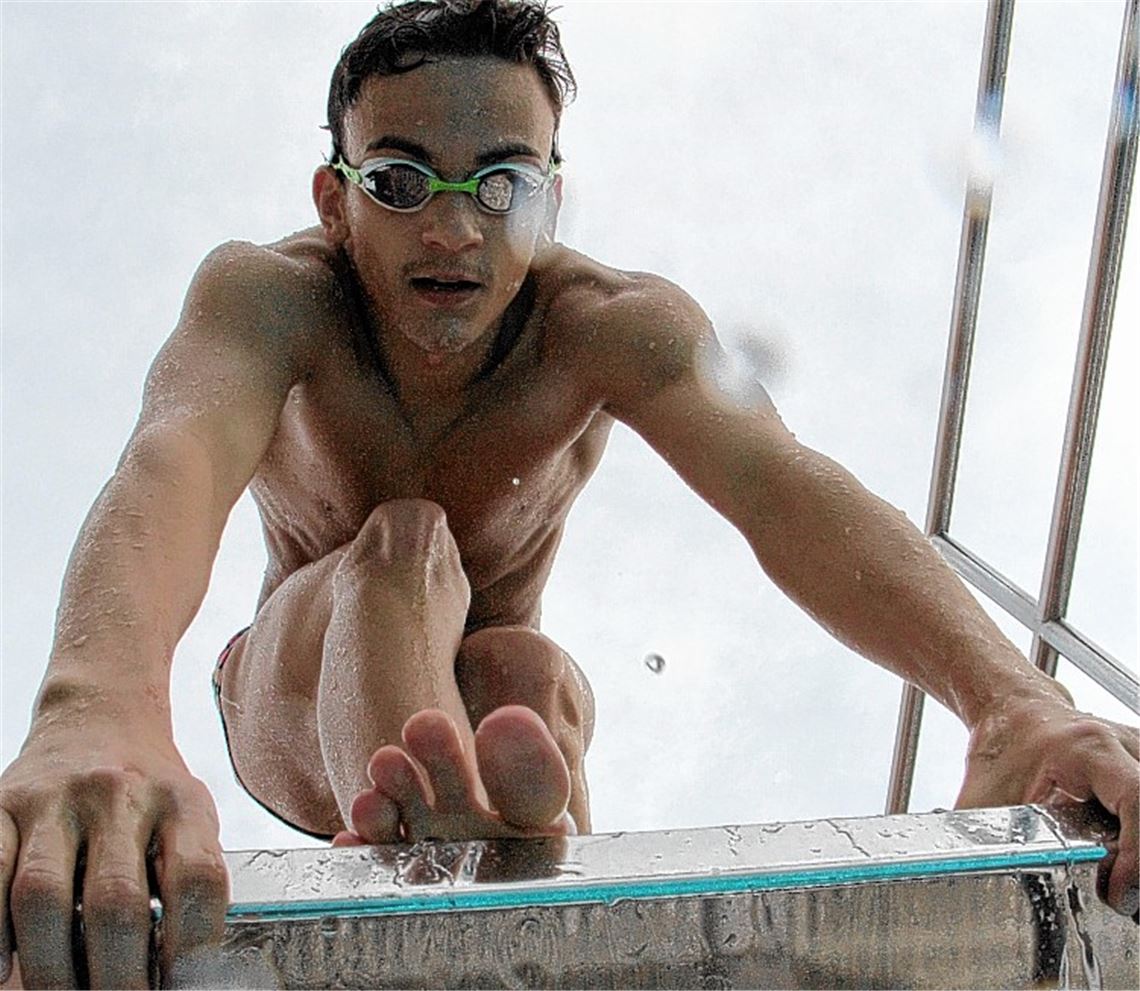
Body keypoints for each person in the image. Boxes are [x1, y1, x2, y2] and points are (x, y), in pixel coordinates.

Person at [1, 0, 1136, 986]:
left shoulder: (607, 326)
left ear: (550, 200)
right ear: (335, 201)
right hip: (296, 700)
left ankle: (531, 890)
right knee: (403, 544)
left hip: (500, 734)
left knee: (527, 671)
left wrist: (1010, 700)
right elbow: (172, 461)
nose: (452, 228)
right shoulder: (271, 297)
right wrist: (94, 710)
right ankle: (418, 874)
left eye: (501, 184)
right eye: (400, 181)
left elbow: (786, 490)